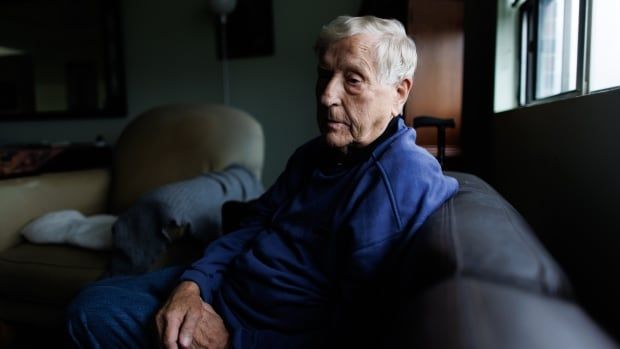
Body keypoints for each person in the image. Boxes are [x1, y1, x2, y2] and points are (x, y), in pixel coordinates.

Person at [66, 15, 459, 349]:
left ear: (399, 93)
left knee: (86, 316)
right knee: (93, 296)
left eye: (352, 80)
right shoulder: (315, 154)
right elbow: (253, 225)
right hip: (223, 286)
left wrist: (235, 339)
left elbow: (356, 328)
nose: (326, 96)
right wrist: (193, 285)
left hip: (248, 329)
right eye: (324, 74)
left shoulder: (398, 179)